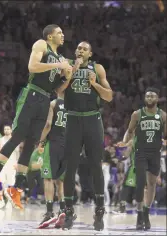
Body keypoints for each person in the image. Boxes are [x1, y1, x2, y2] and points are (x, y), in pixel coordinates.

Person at [0, 24, 72, 210]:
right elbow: (32, 66)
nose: (63, 35)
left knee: (31, 143)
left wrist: (67, 75)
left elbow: (57, 89)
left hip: (46, 98)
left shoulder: (60, 58)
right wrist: (58, 65)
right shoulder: (41, 45)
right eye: (59, 33)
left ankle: (17, 188)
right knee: (18, 136)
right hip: (32, 94)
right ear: (49, 36)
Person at [56, 41, 113, 231]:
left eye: (85, 48)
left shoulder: (98, 68)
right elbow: (58, 91)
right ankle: (69, 211)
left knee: (95, 165)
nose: (81, 50)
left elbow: (109, 96)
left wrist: (94, 83)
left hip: (92, 120)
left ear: (90, 53)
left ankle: (99, 211)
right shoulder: (66, 65)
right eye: (79, 48)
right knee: (70, 167)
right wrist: (71, 74)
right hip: (72, 120)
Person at [119, 87, 167, 230]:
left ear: (157, 99)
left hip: (155, 153)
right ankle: (139, 214)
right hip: (140, 152)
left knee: (151, 184)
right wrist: (125, 141)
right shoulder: (137, 114)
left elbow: (165, 135)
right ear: (145, 99)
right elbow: (130, 130)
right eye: (148, 96)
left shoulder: (163, 115)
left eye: (152, 96)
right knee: (140, 184)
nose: (150, 98)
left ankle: (146, 211)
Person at [38, 91, 67, 229]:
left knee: (48, 178)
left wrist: (41, 141)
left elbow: (48, 124)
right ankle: (63, 210)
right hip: (67, 146)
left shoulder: (53, 103)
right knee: (61, 181)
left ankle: (49, 211)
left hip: (53, 144)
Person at [0, 125, 20, 209]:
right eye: (5, 129)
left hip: (12, 164)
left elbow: (18, 153)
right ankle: (1, 201)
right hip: (2, 164)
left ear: (11, 130)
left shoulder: (15, 140)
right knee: (0, 182)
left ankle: (10, 201)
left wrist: (17, 163)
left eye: (8, 129)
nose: (6, 130)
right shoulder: (0, 140)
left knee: (11, 183)